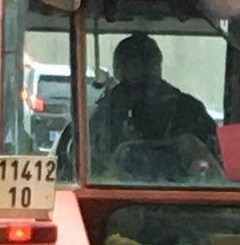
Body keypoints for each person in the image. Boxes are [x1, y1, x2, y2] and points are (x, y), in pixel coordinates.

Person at [87, 32, 220, 178]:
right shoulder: (107, 112)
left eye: (146, 63)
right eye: (136, 64)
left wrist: (193, 148)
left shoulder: (189, 111)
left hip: (184, 195)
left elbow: (215, 168)